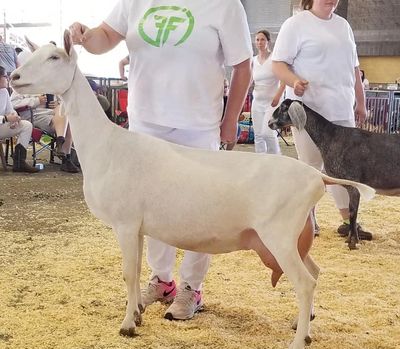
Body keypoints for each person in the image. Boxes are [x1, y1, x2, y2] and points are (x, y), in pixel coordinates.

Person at [69, 0, 252, 320]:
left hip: (198, 125)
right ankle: (162, 279)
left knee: (200, 207)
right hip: (146, 123)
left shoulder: (225, 5)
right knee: (149, 206)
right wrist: (85, 36)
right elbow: (105, 37)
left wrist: (231, 119)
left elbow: (243, 66)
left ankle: (191, 286)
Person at [272, 0, 371, 239]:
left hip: (342, 110)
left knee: (343, 169)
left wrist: (361, 102)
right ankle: (308, 221)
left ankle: (349, 221)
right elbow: (278, 64)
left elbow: (354, 68)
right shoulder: (295, 24)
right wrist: (294, 81)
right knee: (310, 167)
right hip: (309, 111)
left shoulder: (343, 26)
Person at [10, 92, 80, 173]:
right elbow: (13, 103)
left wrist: (58, 103)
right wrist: (36, 101)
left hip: (53, 115)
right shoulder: (22, 86)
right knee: (67, 122)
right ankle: (66, 158)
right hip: (34, 116)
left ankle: (60, 142)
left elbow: (63, 100)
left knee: (63, 110)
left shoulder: (52, 86)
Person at [251, 30, 285, 154]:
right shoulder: (253, 61)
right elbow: (250, 81)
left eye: (262, 39)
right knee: (258, 135)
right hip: (257, 102)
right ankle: (260, 161)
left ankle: (275, 159)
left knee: (268, 133)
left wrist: (278, 96)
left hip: (272, 102)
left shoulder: (274, 59)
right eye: (257, 40)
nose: (260, 42)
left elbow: (284, 80)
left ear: (268, 42)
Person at [0, 66, 37, 173]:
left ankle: (19, 162)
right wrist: (6, 118)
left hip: (2, 126)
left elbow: (10, 110)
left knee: (26, 125)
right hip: (2, 122)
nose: (8, 79)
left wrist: (15, 119)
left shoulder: (4, 92)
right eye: (5, 76)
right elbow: (7, 116)